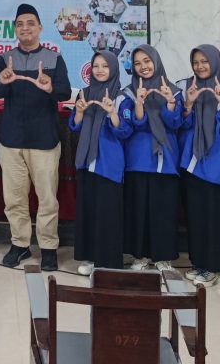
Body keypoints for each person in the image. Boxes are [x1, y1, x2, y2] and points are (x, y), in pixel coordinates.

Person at [0, 3, 72, 271]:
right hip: (12, 141)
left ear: (40, 28)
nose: (25, 28)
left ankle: (48, 248)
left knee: (47, 199)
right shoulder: (6, 59)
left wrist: (49, 87)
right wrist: (3, 80)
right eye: (20, 24)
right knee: (14, 199)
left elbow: (64, 92)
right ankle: (20, 245)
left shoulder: (53, 58)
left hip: (44, 141)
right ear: (15, 29)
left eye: (30, 23)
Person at [177, 45, 220, 287]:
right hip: (193, 163)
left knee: (215, 219)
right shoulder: (189, 88)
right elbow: (180, 125)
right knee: (196, 218)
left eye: (205, 61)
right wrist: (189, 104)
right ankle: (199, 264)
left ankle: (213, 267)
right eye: (196, 62)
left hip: (218, 165)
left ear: (215, 61)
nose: (200, 66)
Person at [71, 51, 133, 274]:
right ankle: (90, 258)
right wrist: (79, 112)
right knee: (88, 211)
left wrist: (112, 113)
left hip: (108, 165)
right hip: (86, 162)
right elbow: (75, 126)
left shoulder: (122, 98)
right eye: (96, 66)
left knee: (107, 214)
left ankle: (107, 263)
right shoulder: (84, 93)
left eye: (105, 66)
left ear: (114, 69)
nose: (99, 70)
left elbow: (126, 131)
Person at [122, 45, 182, 273]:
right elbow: (135, 124)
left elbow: (175, 123)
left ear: (156, 61)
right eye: (137, 63)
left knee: (163, 211)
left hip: (165, 160)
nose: (143, 67)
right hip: (138, 159)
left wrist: (170, 103)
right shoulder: (128, 93)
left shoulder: (174, 91)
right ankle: (140, 256)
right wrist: (139, 103)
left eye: (147, 61)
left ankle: (163, 257)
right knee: (139, 211)